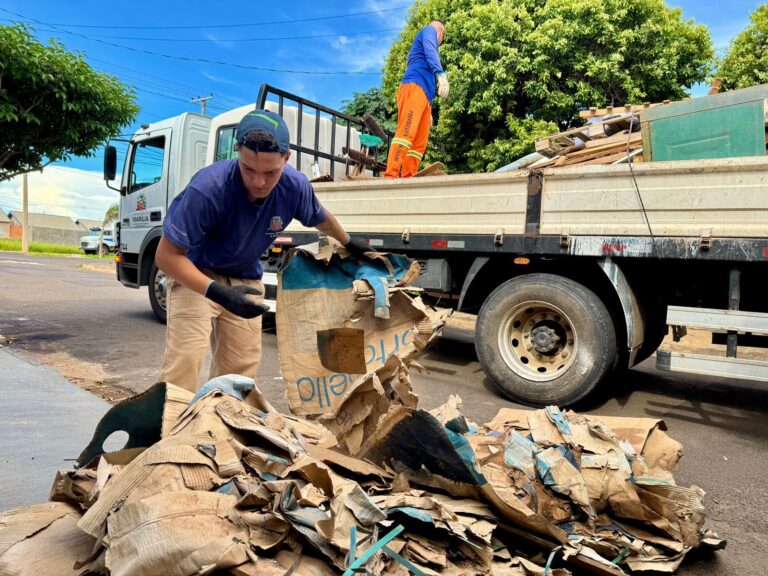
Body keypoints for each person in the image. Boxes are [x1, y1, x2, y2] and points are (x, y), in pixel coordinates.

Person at [156, 109, 370, 392]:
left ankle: (219, 434)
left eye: (271, 172)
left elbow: (320, 217)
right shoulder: (208, 189)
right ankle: (173, 433)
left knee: (238, 377)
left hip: (246, 277)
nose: (259, 182)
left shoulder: (295, 187)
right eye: (248, 169)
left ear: (287, 159)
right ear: (237, 153)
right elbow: (166, 256)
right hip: (196, 276)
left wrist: (348, 241)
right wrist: (217, 292)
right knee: (184, 365)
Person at [384, 19, 448, 178]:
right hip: (414, 87)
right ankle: (391, 174)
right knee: (406, 133)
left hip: (424, 97)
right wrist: (440, 74)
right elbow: (430, 49)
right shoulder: (429, 30)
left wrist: (428, 108)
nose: (439, 42)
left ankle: (408, 175)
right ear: (441, 32)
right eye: (442, 38)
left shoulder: (429, 37)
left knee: (419, 143)